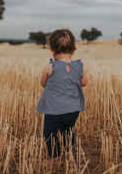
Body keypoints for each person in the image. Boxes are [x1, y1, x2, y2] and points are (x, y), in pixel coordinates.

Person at [36, 28, 88, 162]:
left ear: (52, 51)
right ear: (73, 51)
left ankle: (55, 157)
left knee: (50, 134)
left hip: (54, 110)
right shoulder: (80, 67)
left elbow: (43, 83)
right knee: (68, 132)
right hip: (73, 110)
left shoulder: (50, 67)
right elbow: (84, 83)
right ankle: (70, 153)